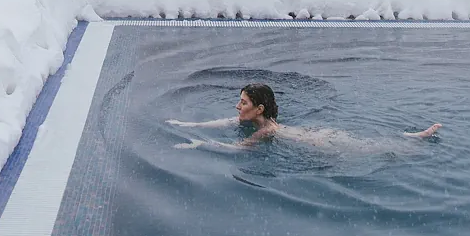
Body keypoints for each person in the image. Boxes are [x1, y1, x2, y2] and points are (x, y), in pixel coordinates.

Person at [167, 83, 442, 152]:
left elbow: (236, 149)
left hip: (322, 144)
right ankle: (409, 137)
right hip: (314, 135)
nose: (237, 106)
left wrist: (201, 145)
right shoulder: (255, 121)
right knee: (370, 144)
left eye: (243, 102)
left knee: (372, 148)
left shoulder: (266, 131)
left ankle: (412, 139)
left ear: (259, 109)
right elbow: (222, 123)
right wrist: (187, 125)